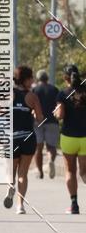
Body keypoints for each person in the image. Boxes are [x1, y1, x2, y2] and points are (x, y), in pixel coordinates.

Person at [4, 66, 43, 215]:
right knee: (23, 173)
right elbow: (40, 119)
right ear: (26, 79)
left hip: (11, 138)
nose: (33, 81)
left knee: (11, 171)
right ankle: (20, 205)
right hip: (27, 137)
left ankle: (10, 186)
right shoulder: (32, 97)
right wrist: (32, 113)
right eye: (31, 78)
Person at [54, 64, 86, 215]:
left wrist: (56, 113)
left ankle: (74, 205)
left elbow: (60, 115)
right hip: (85, 137)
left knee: (70, 171)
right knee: (84, 172)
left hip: (68, 137)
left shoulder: (63, 94)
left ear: (65, 78)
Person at [32, 69, 59, 179]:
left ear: (38, 79)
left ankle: (40, 172)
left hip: (38, 121)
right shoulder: (54, 89)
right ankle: (50, 160)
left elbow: (31, 106)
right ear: (47, 78)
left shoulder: (34, 90)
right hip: (52, 121)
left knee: (38, 147)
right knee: (51, 146)